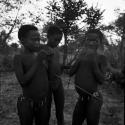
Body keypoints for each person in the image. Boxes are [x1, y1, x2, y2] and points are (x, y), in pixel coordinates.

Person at [13, 24, 51, 125]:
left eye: (39, 39)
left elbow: (44, 75)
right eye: (34, 40)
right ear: (22, 40)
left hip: (43, 101)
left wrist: (47, 61)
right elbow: (23, 81)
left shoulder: (37, 54)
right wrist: (38, 61)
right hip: (27, 103)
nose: (37, 43)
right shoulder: (19, 57)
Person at [70, 29, 105, 125]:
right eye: (88, 40)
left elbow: (102, 80)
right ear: (85, 41)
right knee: (76, 121)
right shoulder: (82, 56)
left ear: (100, 42)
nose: (91, 43)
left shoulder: (101, 58)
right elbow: (71, 72)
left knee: (92, 121)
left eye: (95, 41)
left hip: (93, 99)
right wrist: (78, 60)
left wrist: (94, 63)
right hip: (81, 98)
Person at [46, 25, 64, 125]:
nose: (57, 42)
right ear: (48, 36)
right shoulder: (43, 50)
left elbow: (57, 67)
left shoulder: (57, 50)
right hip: (47, 84)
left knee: (60, 109)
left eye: (59, 40)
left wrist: (62, 68)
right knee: (46, 110)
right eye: (56, 39)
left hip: (58, 82)